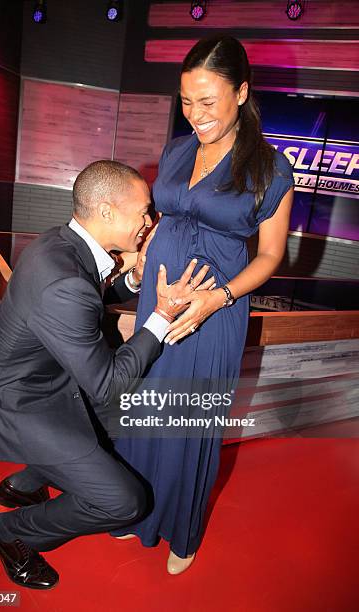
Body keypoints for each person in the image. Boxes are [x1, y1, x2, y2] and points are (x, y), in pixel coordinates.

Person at [0, 160, 213, 589]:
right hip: (14, 403)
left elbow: (89, 294)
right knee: (126, 501)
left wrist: (131, 278)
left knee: (125, 419)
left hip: (39, 380)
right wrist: (160, 317)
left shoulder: (64, 241)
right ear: (108, 213)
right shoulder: (63, 280)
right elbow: (107, 383)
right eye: (144, 211)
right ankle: (10, 531)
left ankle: (24, 482)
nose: (149, 222)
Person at [112, 35, 294, 574]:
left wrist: (215, 299)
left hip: (213, 311)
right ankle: (137, 510)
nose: (196, 115)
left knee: (189, 421)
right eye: (187, 101)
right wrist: (143, 257)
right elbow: (167, 217)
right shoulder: (176, 150)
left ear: (241, 92)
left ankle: (182, 534)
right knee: (144, 407)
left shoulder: (269, 167)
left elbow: (270, 256)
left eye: (208, 101)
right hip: (158, 299)